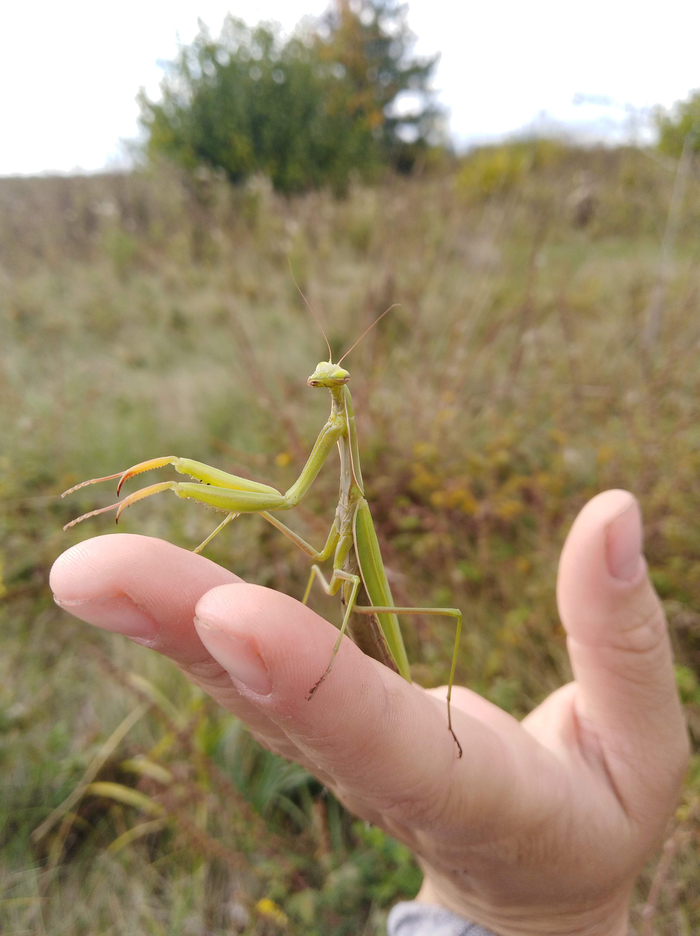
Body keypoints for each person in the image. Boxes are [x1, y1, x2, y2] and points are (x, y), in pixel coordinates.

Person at [50, 489, 689, 936]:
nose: (321, 380)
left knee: (437, 614)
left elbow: (334, 569)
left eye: (331, 380)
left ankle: (430, 710)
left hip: (373, 623)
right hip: (350, 605)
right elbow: (315, 547)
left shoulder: (349, 493)